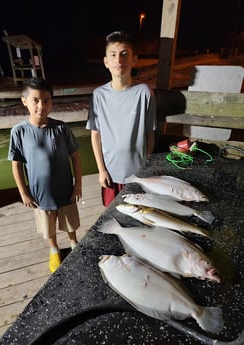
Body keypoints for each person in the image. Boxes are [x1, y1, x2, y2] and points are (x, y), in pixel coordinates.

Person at [8, 77, 82, 273]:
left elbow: (75, 157)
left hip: (65, 189)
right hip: (40, 194)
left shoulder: (61, 128)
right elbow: (16, 165)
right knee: (47, 226)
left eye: (46, 100)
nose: (41, 105)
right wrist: (23, 193)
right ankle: (54, 250)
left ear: (52, 102)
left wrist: (78, 185)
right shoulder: (19, 132)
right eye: (35, 100)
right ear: (25, 101)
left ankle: (74, 244)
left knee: (70, 222)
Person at [86, 30, 157, 207]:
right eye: (113, 55)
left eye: (125, 54)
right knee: (112, 215)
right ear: (106, 61)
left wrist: (145, 168)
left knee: (139, 216)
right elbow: (95, 135)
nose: (119, 60)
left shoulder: (144, 93)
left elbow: (150, 134)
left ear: (134, 59)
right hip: (111, 174)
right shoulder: (98, 95)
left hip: (138, 174)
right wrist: (101, 170)